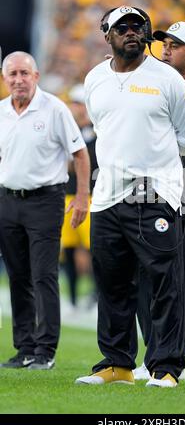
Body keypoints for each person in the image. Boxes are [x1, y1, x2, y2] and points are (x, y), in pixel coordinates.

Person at [75, 6, 185, 388]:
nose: (131, 32)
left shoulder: (166, 78)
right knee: (112, 283)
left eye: (137, 26)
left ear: (145, 34)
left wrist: (155, 166)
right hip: (108, 195)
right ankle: (117, 364)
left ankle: (165, 367)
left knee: (164, 283)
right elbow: (102, 127)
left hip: (154, 194)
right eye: (122, 27)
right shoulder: (95, 78)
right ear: (107, 35)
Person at [133, 21, 185, 381]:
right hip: (147, 183)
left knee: (181, 278)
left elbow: (172, 126)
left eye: (175, 45)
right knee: (145, 278)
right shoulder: (156, 86)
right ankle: (156, 355)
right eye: (163, 43)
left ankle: (174, 359)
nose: (165, 49)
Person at [0, 52, 90, 370]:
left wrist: (81, 198)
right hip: (8, 200)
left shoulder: (54, 109)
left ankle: (45, 350)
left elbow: (80, 154)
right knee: (18, 277)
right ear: (4, 78)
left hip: (45, 200)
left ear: (36, 76)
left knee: (43, 276)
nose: (18, 79)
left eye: (25, 73)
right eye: (12, 74)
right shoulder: (1, 113)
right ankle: (24, 347)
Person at [61, 84, 98, 309]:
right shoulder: (65, 132)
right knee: (68, 250)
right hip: (66, 196)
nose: (79, 108)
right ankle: (73, 298)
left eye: (82, 103)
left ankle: (96, 295)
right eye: (75, 103)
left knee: (96, 250)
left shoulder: (99, 133)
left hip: (93, 196)